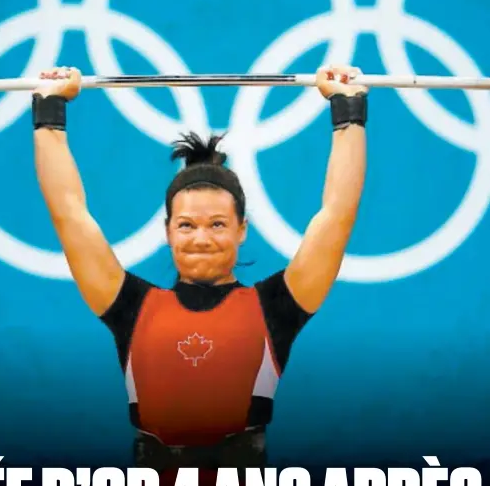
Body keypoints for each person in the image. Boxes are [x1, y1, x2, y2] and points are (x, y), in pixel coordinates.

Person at [31, 65, 367, 476]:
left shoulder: (277, 307)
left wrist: (347, 108)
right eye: (186, 225)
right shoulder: (129, 306)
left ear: (242, 229)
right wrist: (50, 108)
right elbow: (69, 213)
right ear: (168, 231)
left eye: (218, 224)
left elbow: (337, 216)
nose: (201, 238)